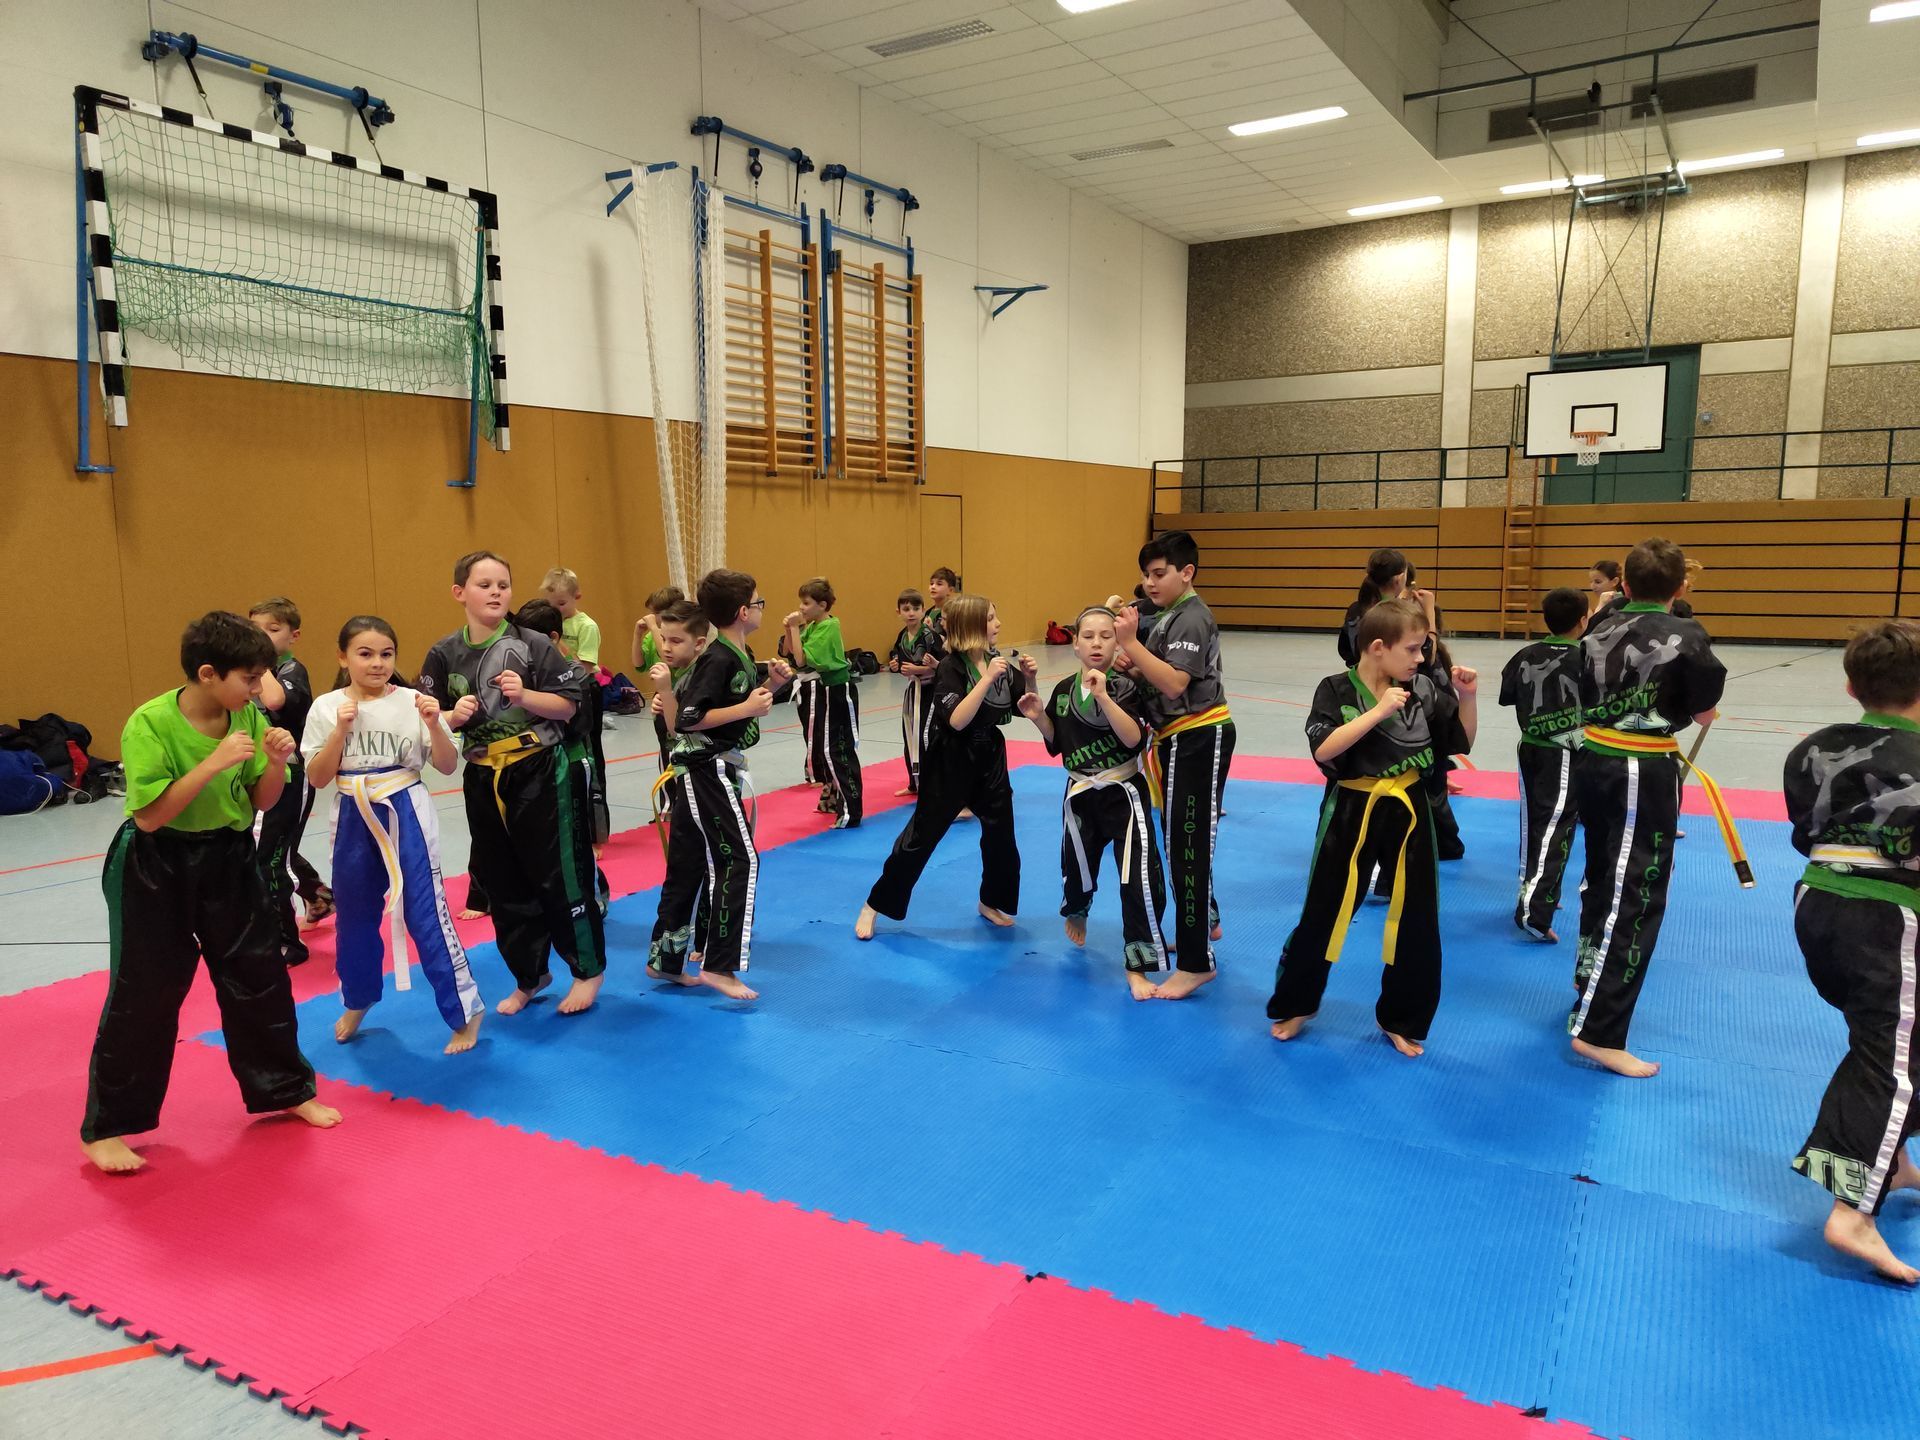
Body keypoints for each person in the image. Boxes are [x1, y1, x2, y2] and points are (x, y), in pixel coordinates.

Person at [80, 611, 341, 1173]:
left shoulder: (244, 713)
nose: (259, 690)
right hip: (156, 862)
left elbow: (263, 800)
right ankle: (107, 1127)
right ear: (207, 674)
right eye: (249, 678)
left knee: (259, 976)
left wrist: (275, 764)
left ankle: (285, 1089)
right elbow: (149, 816)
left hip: (228, 856)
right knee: (145, 993)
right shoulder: (150, 723)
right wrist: (213, 762)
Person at [1266, 598, 1476, 1057]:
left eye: (1422, 649)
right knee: (1324, 908)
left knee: (1418, 916)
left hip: (1408, 807)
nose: (1421, 658)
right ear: (1378, 647)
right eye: (1413, 649)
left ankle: (1402, 1017)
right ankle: (1297, 1003)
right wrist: (1378, 712)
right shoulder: (1336, 689)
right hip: (1351, 807)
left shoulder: (1421, 688)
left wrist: (1469, 698)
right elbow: (1324, 750)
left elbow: (1461, 743)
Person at [1568, 537, 1737, 1078]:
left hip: (1592, 757)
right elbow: (1703, 707)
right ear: (1681, 587)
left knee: (1602, 878)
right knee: (1637, 892)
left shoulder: (1600, 622)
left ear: (1623, 584)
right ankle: (1599, 1031)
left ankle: (1587, 986)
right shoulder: (1687, 632)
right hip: (1638, 768)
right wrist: (1698, 710)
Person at [1783, 619, 1920, 1283]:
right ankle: (1852, 1211)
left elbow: (1806, 830)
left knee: (1899, 1042)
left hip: (1817, 906)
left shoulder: (1810, 749)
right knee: (1887, 1055)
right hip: (1885, 917)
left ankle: (1890, 1160)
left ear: (1849, 685)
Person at [418, 551, 604, 1018]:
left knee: (558, 871)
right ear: (460, 592)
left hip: (539, 767)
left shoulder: (533, 642)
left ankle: (587, 969)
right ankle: (530, 974)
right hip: (482, 774)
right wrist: (450, 716)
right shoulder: (443, 653)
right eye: (484, 585)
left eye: (503, 584)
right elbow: (426, 716)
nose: (496, 592)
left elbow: (570, 706)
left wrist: (526, 695)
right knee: (501, 879)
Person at [302, 616, 484, 1055]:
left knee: (424, 912)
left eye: (386, 654)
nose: (377, 663)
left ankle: (465, 1010)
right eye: (365, 654)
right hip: (352, 812)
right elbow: (318, 777)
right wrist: (340, 732)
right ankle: (358, 998)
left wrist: (436, 723)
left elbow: (446, 766)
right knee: (354, 915)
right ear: (343, 657)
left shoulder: (414, 701)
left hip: (405, 807)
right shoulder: (325, 707)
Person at [646, 569, 792, 1000]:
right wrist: (747, 707)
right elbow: (688, 720)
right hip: (706, 770)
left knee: (688, 865)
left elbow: (737, 705)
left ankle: (665, 961)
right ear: (744, 612)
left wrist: (772, 685)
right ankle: (718, 964)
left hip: (707, 768)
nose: (761, 609)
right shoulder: (719, 658)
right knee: (740, 861)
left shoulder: (735, 654)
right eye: (759, 603)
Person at [1017, 605, 1167, 1000]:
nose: (1097, 643)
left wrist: (1103, 696)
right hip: (1081, 793)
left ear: (1117, 644)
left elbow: (1133, 739)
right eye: (1088, 636)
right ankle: (1078, 909)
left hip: (1123, 793)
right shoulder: (1063, 690)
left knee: (1137, 877)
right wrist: (1038, 717)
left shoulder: (1126, 687)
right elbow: (1057, 743)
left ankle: (1137, 963)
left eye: (1105, 636)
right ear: (1075, 645)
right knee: (1076, 863)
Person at [857, 593, 1022, 940]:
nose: (998, 624)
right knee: (922, 836)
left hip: (990, 754)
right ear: (973, 626)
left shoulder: (995, 661)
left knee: (1002, 836)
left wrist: (1031, 679)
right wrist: (987, 680)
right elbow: (958, 720)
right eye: (991, 619)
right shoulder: (950, 667)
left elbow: (1023, 704)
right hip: (951, 758)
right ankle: (875, 903)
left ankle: (991, 900)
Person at [1115, 531, 1234, 999]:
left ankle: (1196, 962)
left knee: (1188, 848)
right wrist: (1133, 668)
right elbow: (1160, 678)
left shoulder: (1192, 617)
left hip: (1198, 736)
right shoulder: (1169, 616)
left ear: (1187, 573)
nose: (1150, 583)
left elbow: (1174, 684)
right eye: (1146, 574)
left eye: (1159, 573)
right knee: (1180, 843)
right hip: (1178, 740)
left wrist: (1131, 644)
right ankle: (1200, 929)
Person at [1500, 586, 1590, 941]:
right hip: (1563, 752)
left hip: (1530, 749)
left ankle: (1535, 890)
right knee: (1556, 826)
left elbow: (1509, 696)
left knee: (1535, 823)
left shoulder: (1524, 654)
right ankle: (1535, 911)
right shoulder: (1586, 658)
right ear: (1583, 621)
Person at [248, 597, 330, 961]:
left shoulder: (291, 670)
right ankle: (317, 895)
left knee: (268, 856)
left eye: (272, 629)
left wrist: (258, 658)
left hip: (291, 775)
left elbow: (275, 700)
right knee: (276, 847)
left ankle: (286, 941)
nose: (262, 637)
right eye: (255, 631)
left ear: (293, 635)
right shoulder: (251, 674)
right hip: (259, 771)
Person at [641, 598, 712, 975]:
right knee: (689, 869)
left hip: (700, 779)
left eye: (675, 641)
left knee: (697, 868)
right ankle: (669, 958)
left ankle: (686, 951)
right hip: (691, 783)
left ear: (698, 643)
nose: (666, 648)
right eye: (664, 640)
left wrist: (667, 695)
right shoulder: (682, 676)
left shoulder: (701, 674)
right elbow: (675, 730)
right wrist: (666, 694)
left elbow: (680, 726)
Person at [785, 578, 863, 829]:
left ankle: (851, 811)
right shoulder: (814, 626)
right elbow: (790, 651)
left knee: (839, 749)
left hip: (838, 690)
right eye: (801, 602)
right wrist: (789, 629)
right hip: (826, 690)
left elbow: (800, 660)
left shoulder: (829, 626)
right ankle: (832, 800)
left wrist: (795, 628)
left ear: (822, 605)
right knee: (825, 746)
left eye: (806, 603)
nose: (802, 607)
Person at [541, 567, 610, 848]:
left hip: (585, 690)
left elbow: (586, 666)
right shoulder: (552, 622)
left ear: (576, 596)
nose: (556, 610)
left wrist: (556, 646)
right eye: (551, 605)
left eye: (561, 604)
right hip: (561, 691)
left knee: (590, 755)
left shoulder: (586, 626)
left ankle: (597, 833)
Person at [1338, 548, 1437, 667]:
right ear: (1400, 579)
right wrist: (1429, 610)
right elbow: (1428, 658)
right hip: (1392, 677)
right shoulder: (1399, 616)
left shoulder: (1355, 609)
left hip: (1361, 673)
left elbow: (1345, 650)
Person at [889, 588, 935, 797]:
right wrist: (895, 665)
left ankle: (930, 783)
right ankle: (914, 783)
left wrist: (919, 669)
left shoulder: (930, 636)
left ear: (923, 610)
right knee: (909, 734)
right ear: (898, 612)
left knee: (925, 735)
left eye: (916, 608)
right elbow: (899, 660)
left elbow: (943, 666)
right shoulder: (902, 636)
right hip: (913, 690)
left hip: (931, 690)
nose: (911, 613)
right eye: (906, 609)